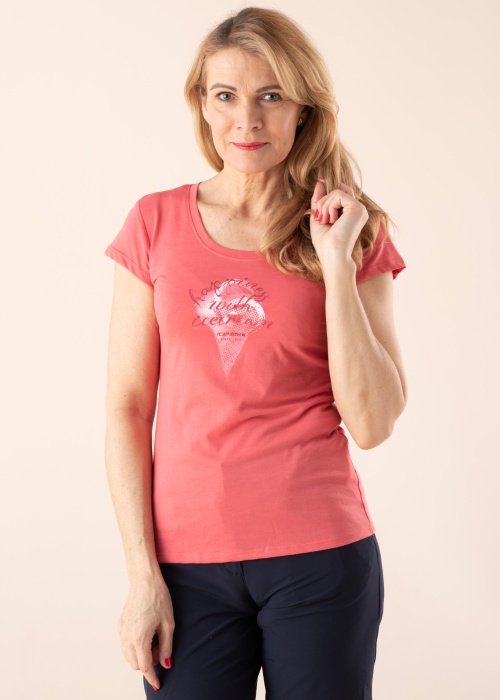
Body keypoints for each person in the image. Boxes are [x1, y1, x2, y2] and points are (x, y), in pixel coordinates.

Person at [103, 6, 407, 699]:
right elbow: (127, 408)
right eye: (226, 95)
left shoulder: (352, 230)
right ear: (201, 104)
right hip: (184, 566)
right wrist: (142, 576)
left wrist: (336, 265)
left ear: (304, 108)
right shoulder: (153, 223)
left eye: (271, 95)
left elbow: (373, 424)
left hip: (321, 557)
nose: (247, 120)